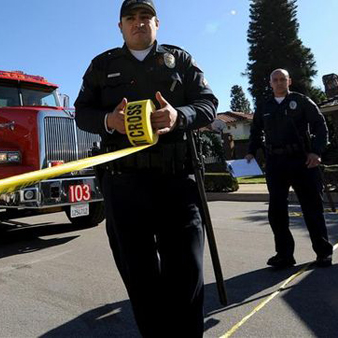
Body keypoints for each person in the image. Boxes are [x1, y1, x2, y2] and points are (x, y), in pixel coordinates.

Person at [74, 1, 218, 336]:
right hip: (124, 184)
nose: (138, 23)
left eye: (145, 17)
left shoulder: (179, 60)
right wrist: (109, 120)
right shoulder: (102, 64)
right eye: (131, 19)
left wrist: (179, 116)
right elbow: (82, 113)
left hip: (176, 181)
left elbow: (208, 104)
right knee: (139, 276)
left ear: (157, 23)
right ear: (120, 26)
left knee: (186, 273)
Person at [246, 68, 333, 269]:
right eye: (274, 80)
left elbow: (320, 126)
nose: (278, 82)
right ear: (270, 83)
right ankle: (284, 255)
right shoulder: (264, 106)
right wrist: (251, 151)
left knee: (312, 208)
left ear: (289, 81)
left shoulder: (302, 101)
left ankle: (323, 253)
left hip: (302, 161)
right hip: (276, 163)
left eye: (282, 79)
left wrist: (317, 152)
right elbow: (255, 131)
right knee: (276, 212)